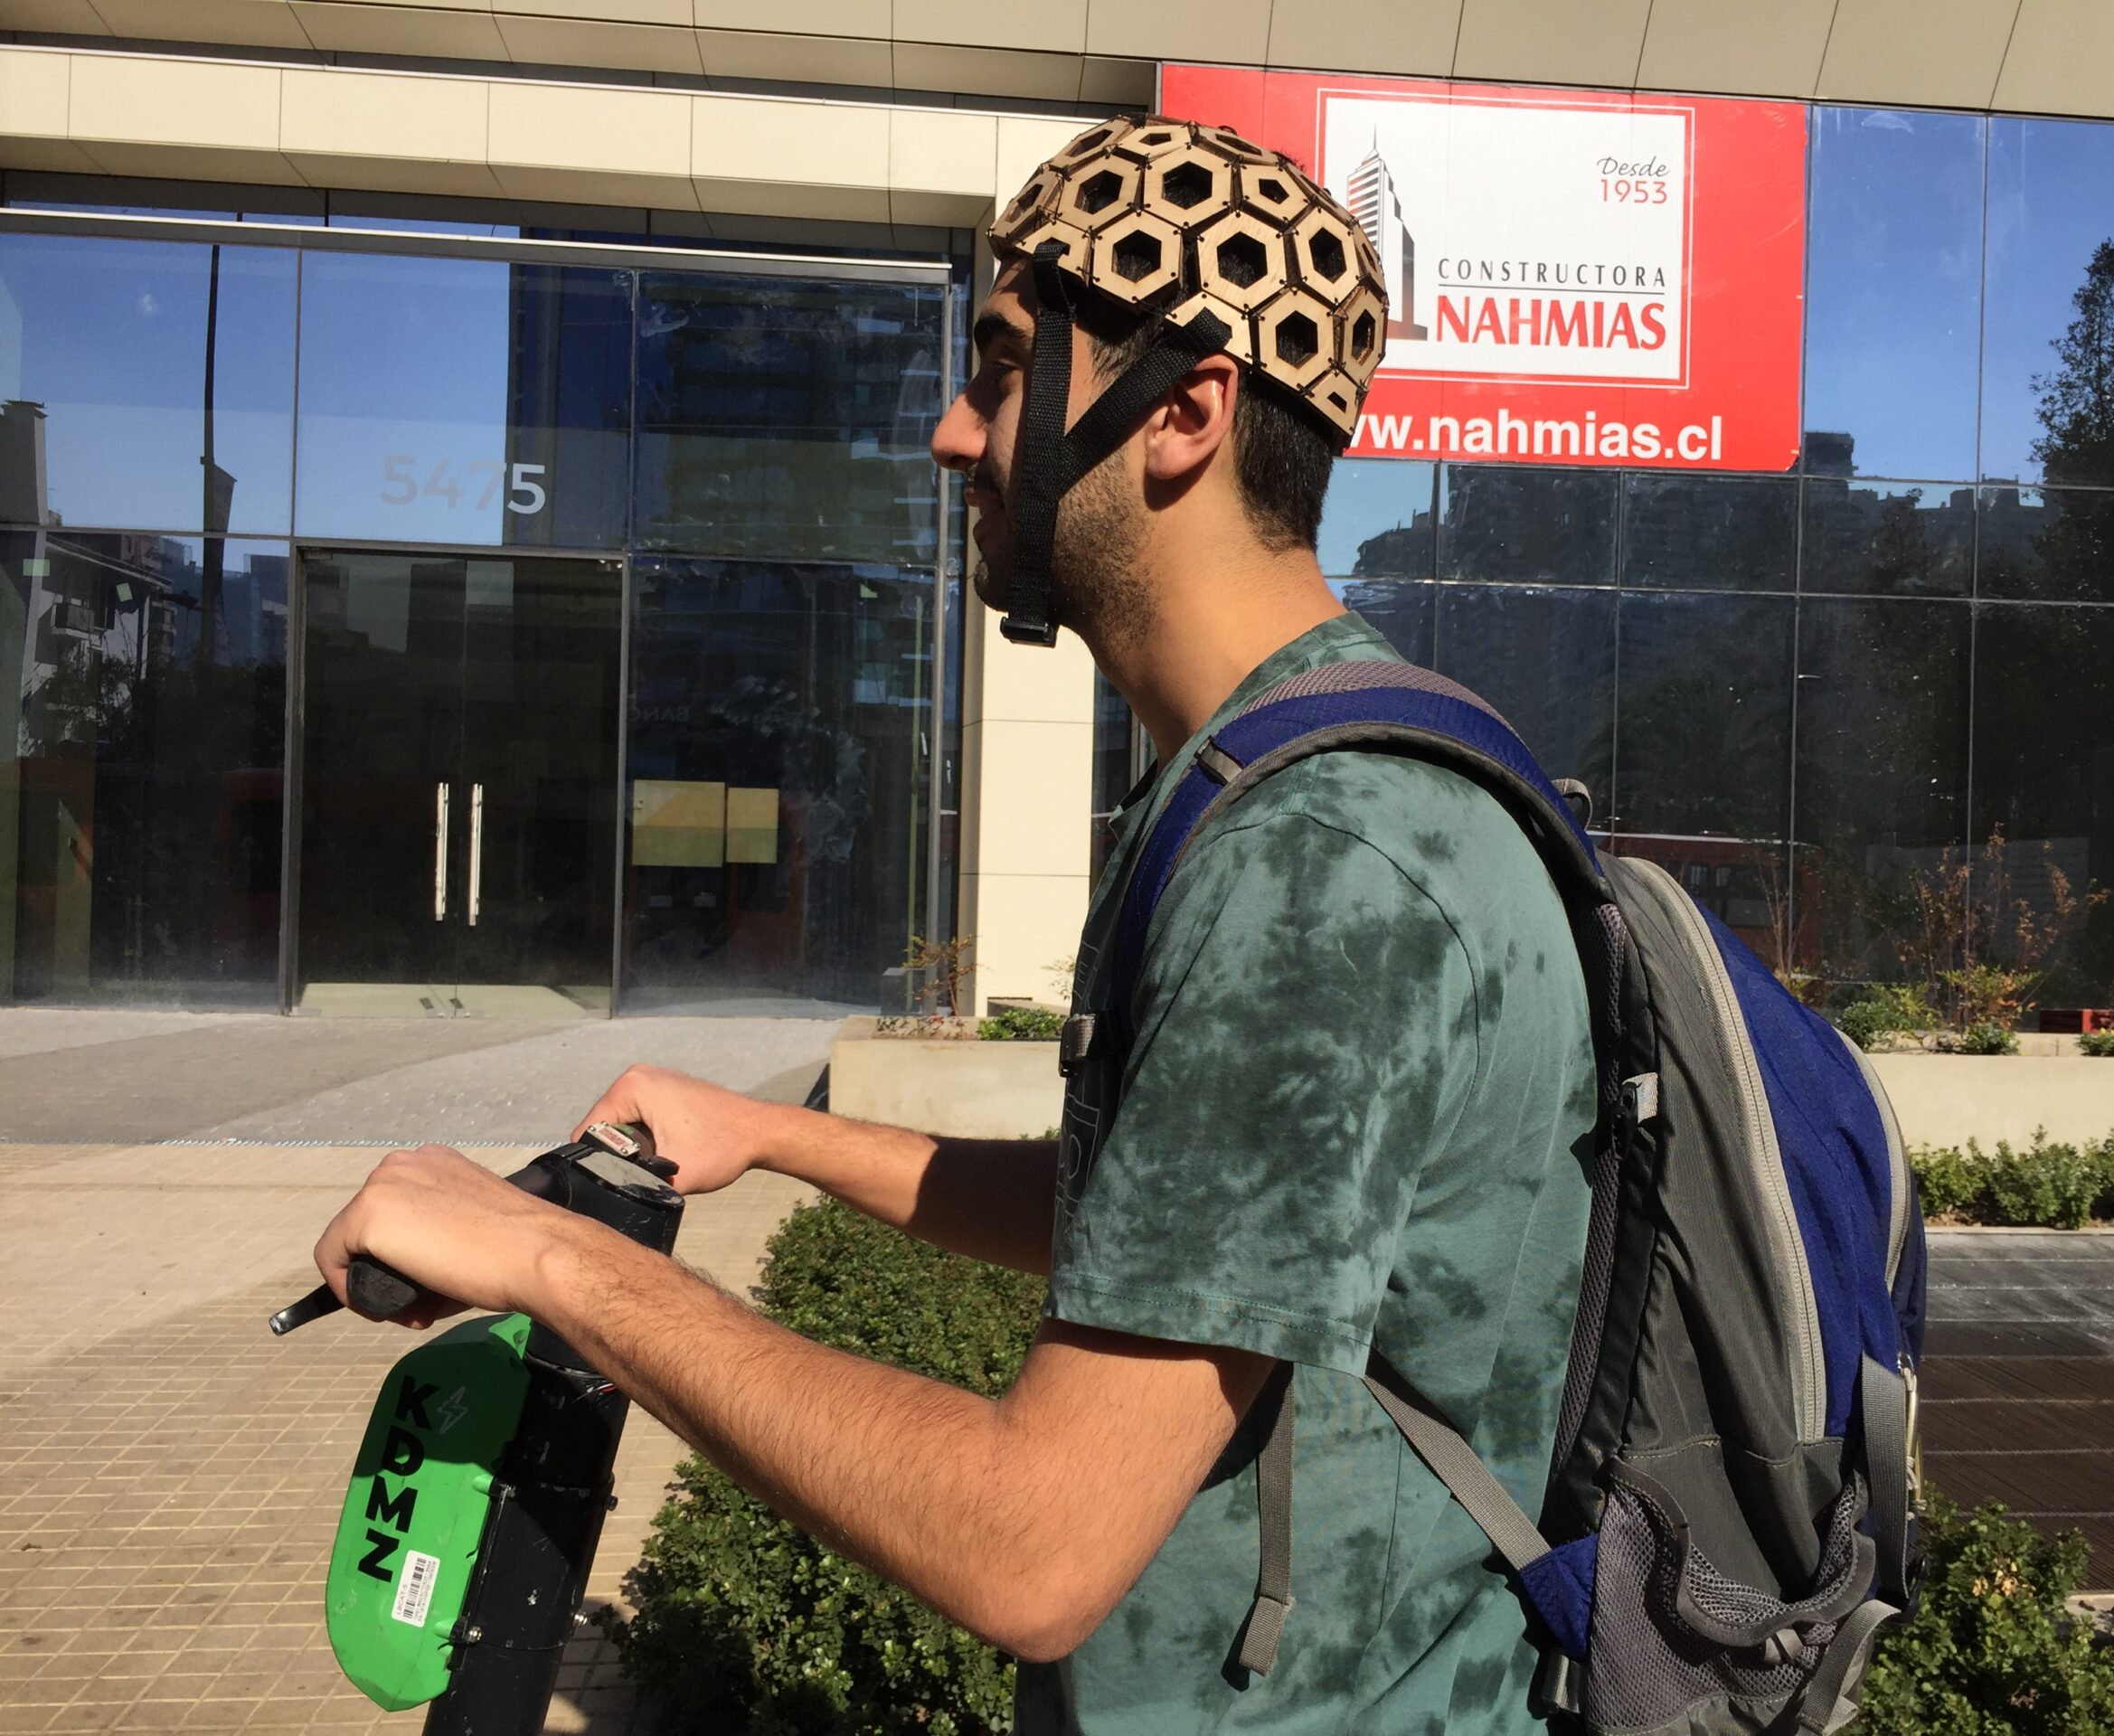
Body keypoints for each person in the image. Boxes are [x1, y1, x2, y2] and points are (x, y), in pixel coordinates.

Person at [312, 116, 1597, 1732]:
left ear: (1185, 414)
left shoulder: (1324, 862)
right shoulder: (1279, 777)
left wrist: (555, 1264)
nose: (949, 432)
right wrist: (773, 1138)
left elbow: (1029, 1545)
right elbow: (1167, 1227)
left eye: (1000, 372)